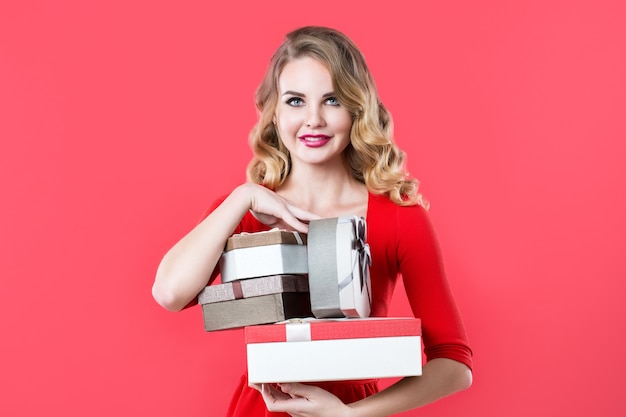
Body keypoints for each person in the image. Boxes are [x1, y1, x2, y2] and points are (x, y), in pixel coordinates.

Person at [152, 26, 473, 417]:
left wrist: (350, 415)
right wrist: (242, 196)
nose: (314, 119)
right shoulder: (245, 211)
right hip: (262, 408)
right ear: (274, 112)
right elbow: (169, 294)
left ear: (357, 108)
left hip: (355, 408)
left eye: (332, 100)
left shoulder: (398, 217)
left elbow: (454, 362)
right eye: (296, 101)